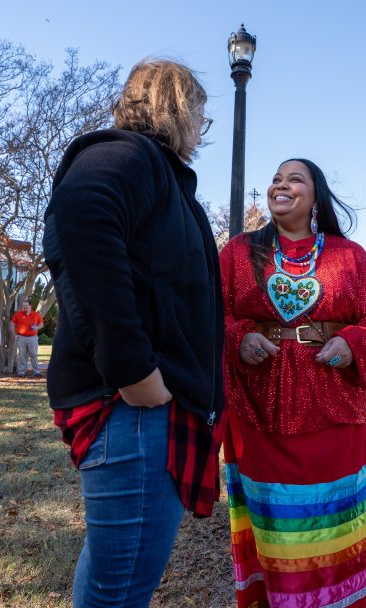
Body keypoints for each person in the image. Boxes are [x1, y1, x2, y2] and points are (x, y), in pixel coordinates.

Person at [43, 59, 224, 608]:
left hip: (145, 417)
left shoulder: (159, 175)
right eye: (202, 117)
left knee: (107, 582)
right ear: (181, 109)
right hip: (137, 414)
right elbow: (81, 220)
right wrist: (134, 371)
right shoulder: (126, 153)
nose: (201, 131)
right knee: (118, 595)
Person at [220, 158, 366, 607]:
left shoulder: (347, 255)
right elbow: (208, 311)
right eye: (276, 178)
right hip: (261, 407)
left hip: (332, 407)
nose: (281, 184)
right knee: (275, 518)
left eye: (295, 178)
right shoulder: (239, 253)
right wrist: (239, 337)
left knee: (331, 515)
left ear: (316, 197)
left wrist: (352, 342)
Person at [10, 300, 43, 377]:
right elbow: (12, 324)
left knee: (34, 355)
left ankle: (37, 371)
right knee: (22, 355)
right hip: (21, 338)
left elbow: (41, 324)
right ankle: (21, 372)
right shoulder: (18, 314)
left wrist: (37, 327)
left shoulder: (36, 314)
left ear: (30, 306)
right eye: (23, 306)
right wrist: (14, 334)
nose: (24, 307)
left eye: (26, 305)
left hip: (33, 338)